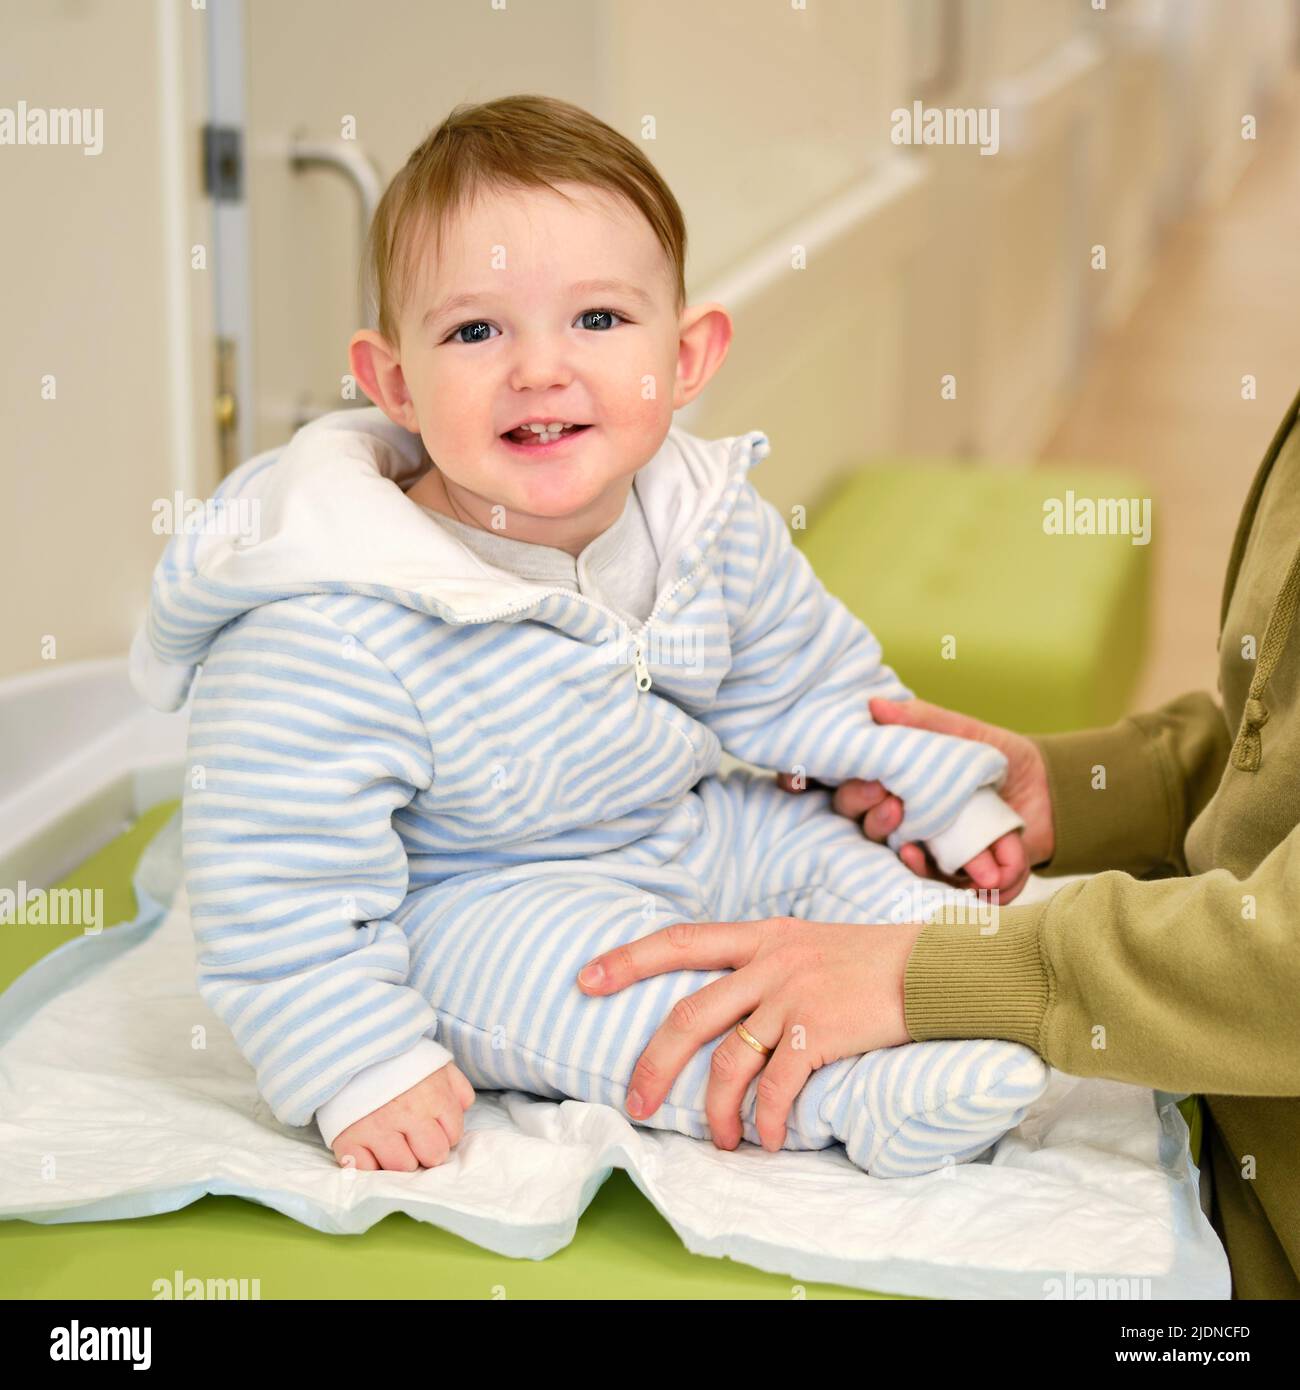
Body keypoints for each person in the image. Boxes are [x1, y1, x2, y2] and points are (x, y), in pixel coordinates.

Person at [130, 93, 1045, 1184]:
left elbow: (809, 677)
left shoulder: (702, 521)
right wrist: (354, 1060)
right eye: (475, 330)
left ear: (688, 355)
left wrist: (935, 785)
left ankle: (975, 981)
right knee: (593, 990)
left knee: (823, 854)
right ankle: (850, 1095)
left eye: (598, 321)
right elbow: (275, 877)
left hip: (687, 822)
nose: (540, 369)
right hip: (478, 892)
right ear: (393, 383)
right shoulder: (328, 615)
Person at [578, 387, 1300, 1299]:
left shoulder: (705, 512)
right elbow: (1273, 765)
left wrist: (936, 974)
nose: (542, 371)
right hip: (1208, 1107)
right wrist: (1081, 790)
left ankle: (866, 1097)